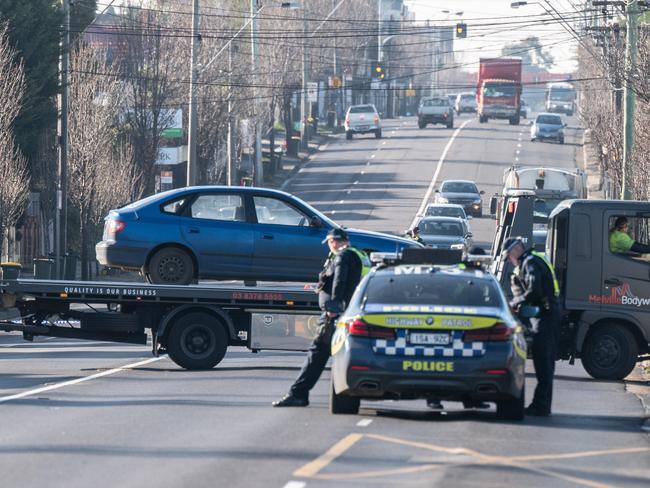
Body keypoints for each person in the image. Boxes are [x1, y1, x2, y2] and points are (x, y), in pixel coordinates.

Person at [273, 228, 369, 407]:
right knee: (331, 355)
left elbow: (340, 281)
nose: (330, 247)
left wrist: (333, 307)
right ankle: (302, 393)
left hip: (335, 316)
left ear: (333, 241)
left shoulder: (342, 256)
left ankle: (298, 394)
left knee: (316, 354)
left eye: (330, 243)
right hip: (350, 313)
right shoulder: (359, 254)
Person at [502, 236, 561, 417]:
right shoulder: (533, 259)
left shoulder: (530, 262)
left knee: (543, 364)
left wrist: (515, 302)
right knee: (544, 364)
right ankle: (541, 405)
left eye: (508, 257)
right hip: (547, 314)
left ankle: (541, 406)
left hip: (545, 316)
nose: (510, 261)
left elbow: (534, 290)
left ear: (515, 251)